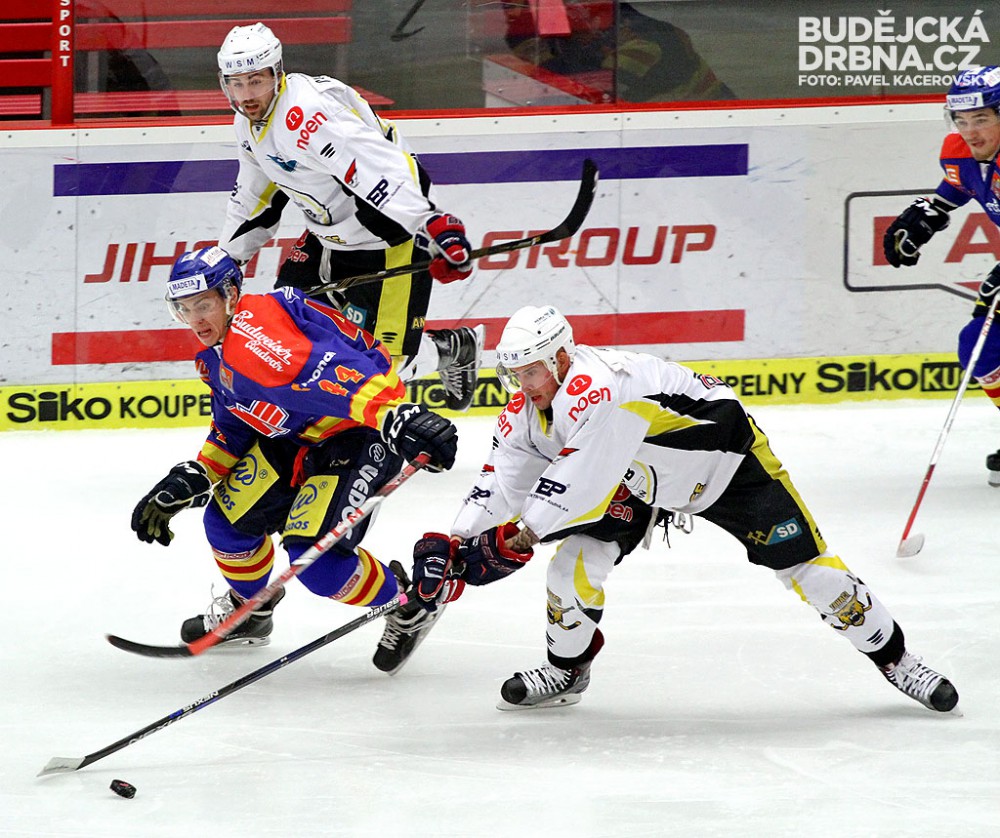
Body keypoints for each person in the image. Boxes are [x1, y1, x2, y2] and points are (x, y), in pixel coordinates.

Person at [405, 304, 959, 713]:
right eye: (515, 375)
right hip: (638, 478)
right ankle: (567, 672)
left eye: (531, 372)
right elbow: (501, 483)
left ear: (561, 357)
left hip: (726, 466)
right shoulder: (528, 409)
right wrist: (455, 542)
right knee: (571, 568)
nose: (523, 386)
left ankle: (897, 659)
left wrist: (516, 538)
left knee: (812, 572)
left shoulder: (602, 390)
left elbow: (575, 486)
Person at [129, 246, 459, 674]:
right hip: (297, 436)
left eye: (203, 304)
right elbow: (236, 425)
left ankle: (408, 604)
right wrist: (196, 475)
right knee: (226, 525)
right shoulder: (222, 350)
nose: (195, 320)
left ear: (231, 295)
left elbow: (328, 369)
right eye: (184, 308)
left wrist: (393, 415)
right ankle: (251, 610)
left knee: (319, 566)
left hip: (356, 436)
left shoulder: (255, 336)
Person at [214, 22, 484, 412]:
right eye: (236, 84)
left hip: (387, 240)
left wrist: (429, 223)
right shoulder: (248, 121)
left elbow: (376, 164)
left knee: (379, 372)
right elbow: (256, 197)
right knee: (282, 332)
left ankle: (451, 349)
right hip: (325, 238)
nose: (246, 95)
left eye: (256, 81)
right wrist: (227, 259)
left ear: (278, 73)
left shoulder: (307, 115)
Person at [883, 65, 1000, 485]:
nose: (970, 131)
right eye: (962, 120)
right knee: (980, 348)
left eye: (981, 118)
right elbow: (958, 187)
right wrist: (926, 215)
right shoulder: (959, 153)